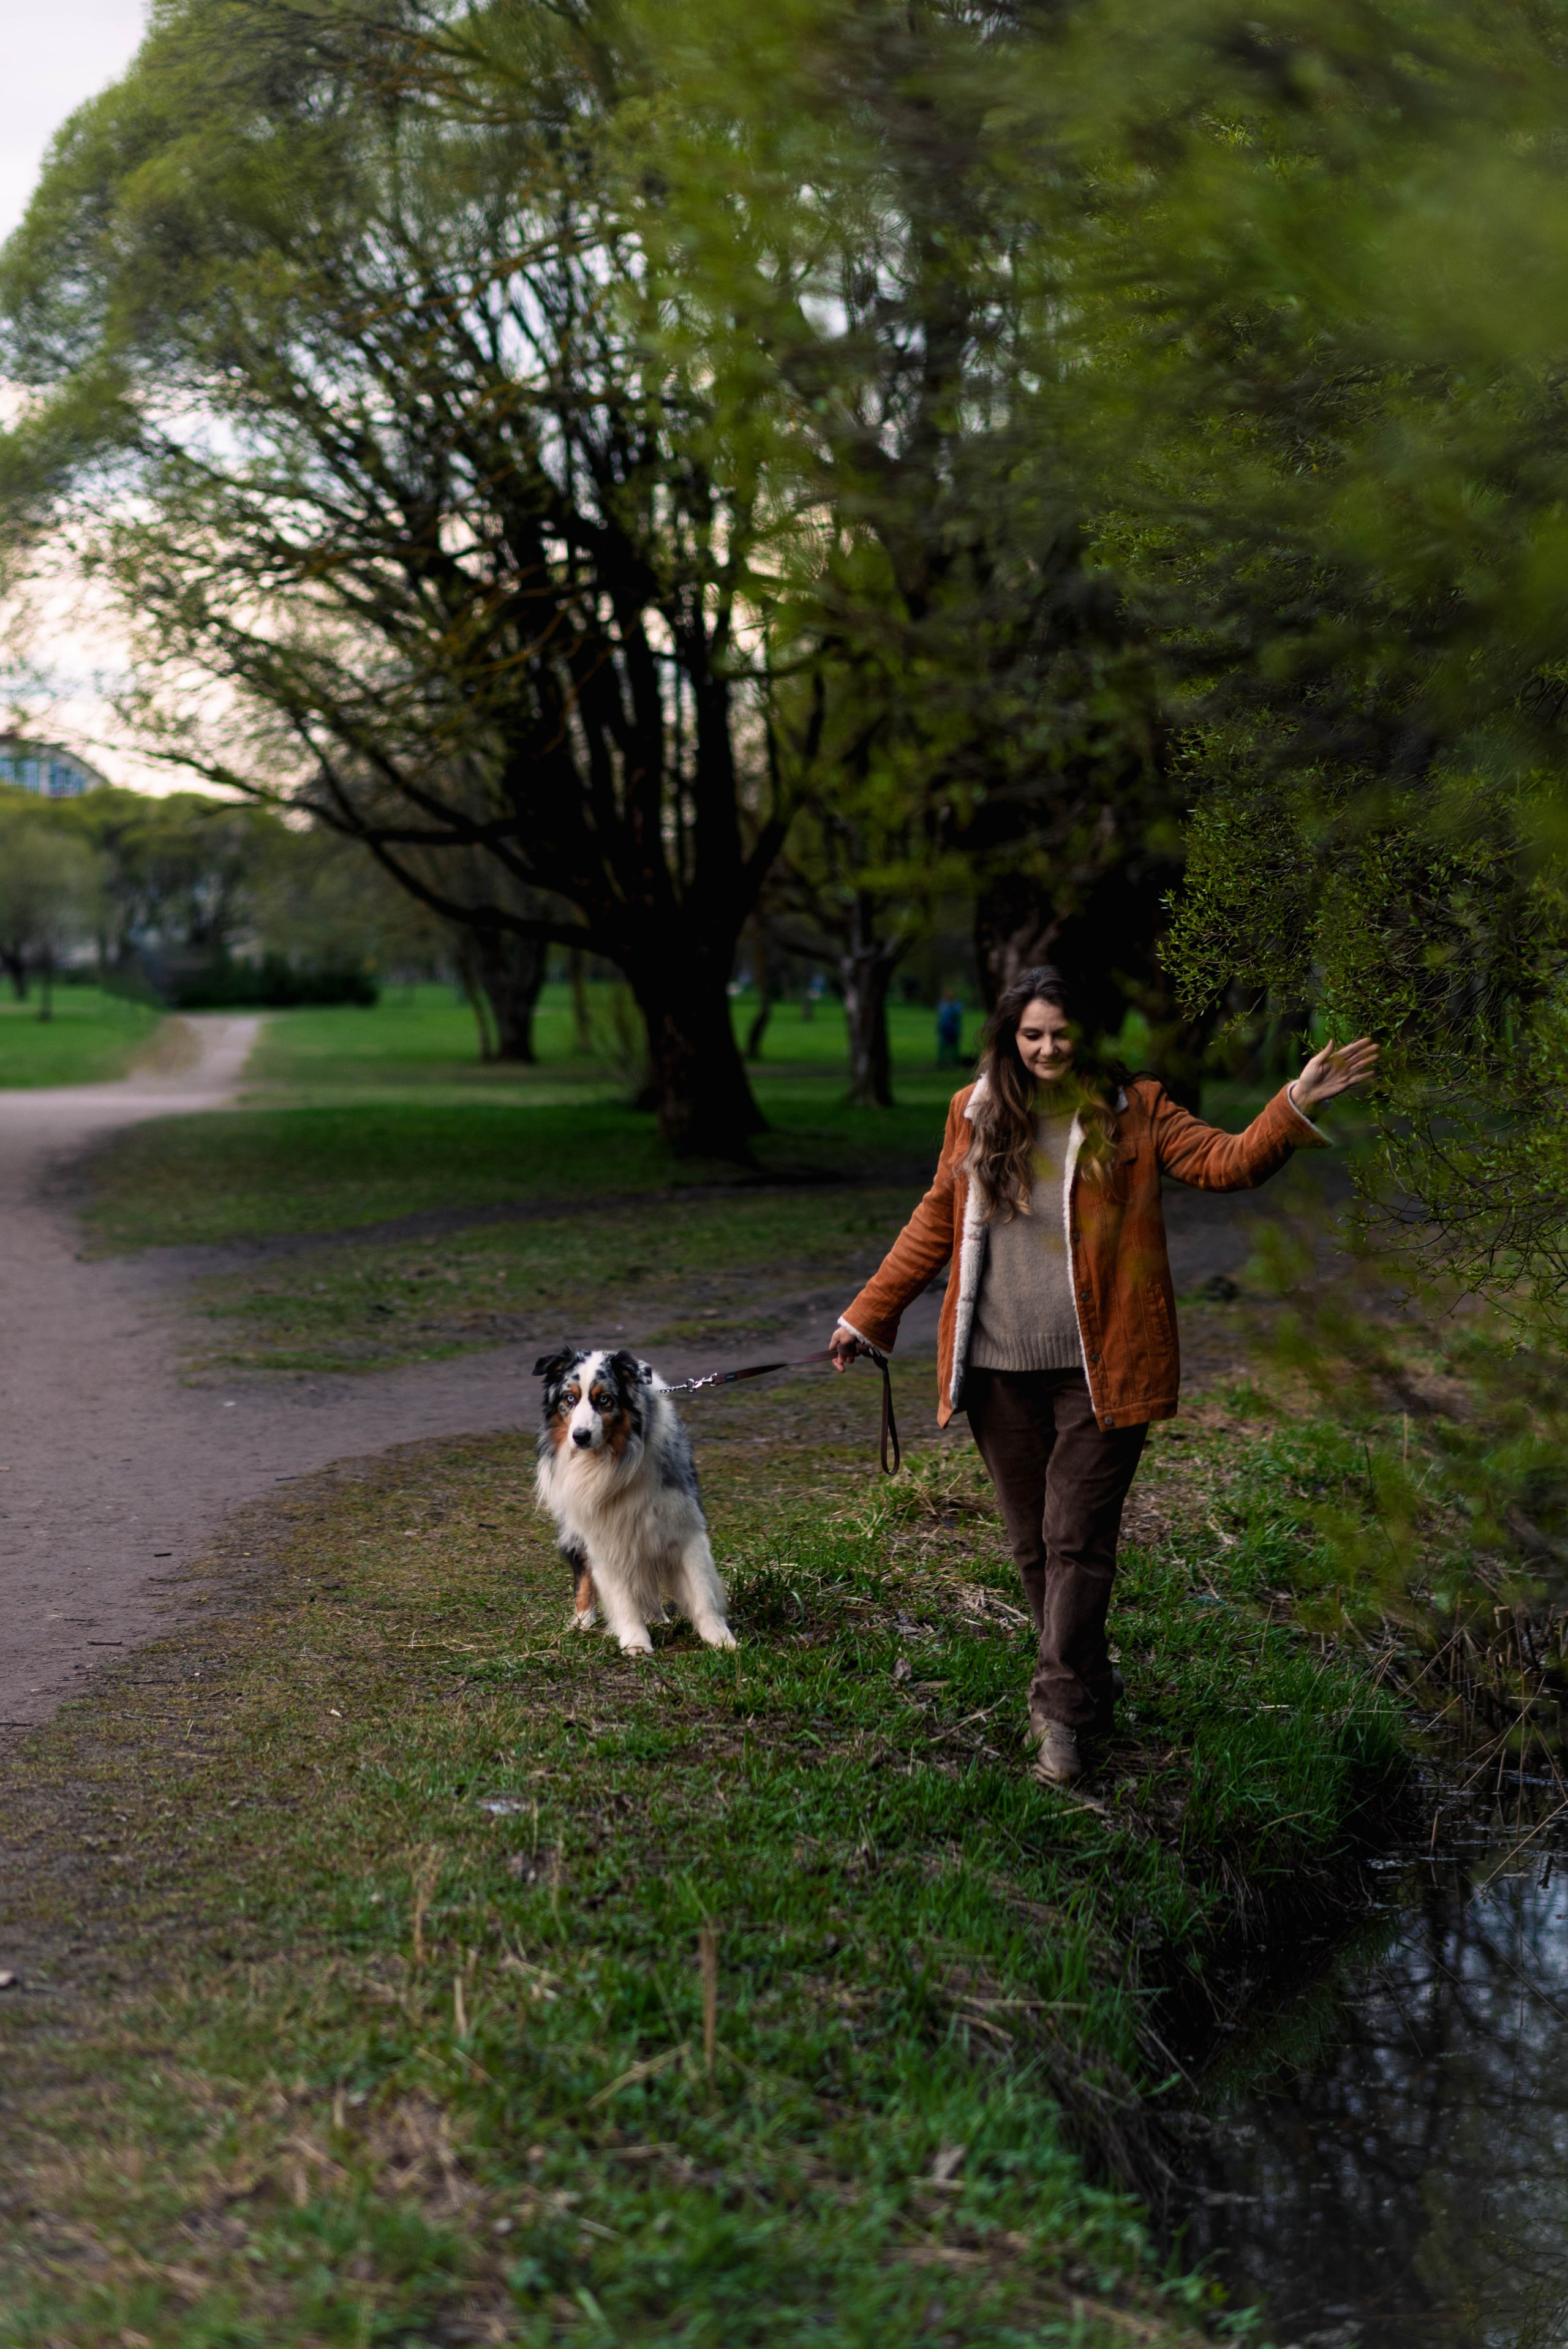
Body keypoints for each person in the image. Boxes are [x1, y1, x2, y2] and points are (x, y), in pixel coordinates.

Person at [829, 965, 1378, 1787]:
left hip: (1105, 1367)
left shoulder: (1138, 1109)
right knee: (1033, 1547)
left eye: (1062, 1032)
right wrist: (868, 1312)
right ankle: (1090, 1682)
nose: (1048, 1048)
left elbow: (1227, 1162)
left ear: (1087, 1036)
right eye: (1032, 1034)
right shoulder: (972, 1111)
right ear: (1011, 1037)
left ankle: (1056, 1714)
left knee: (1075, 1538)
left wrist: (1292, 1104)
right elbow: (938, 1217)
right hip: (998, 1370)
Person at [935, 988, 964, 1067]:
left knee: (954, 1047)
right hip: (944, 1028)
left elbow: (957, 1015)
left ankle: (955, 1062)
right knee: (943, 1047)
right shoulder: (942, 1004)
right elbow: (941, 1016)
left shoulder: (957, 1005)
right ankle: (942, 1063)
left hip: (954, 1029)